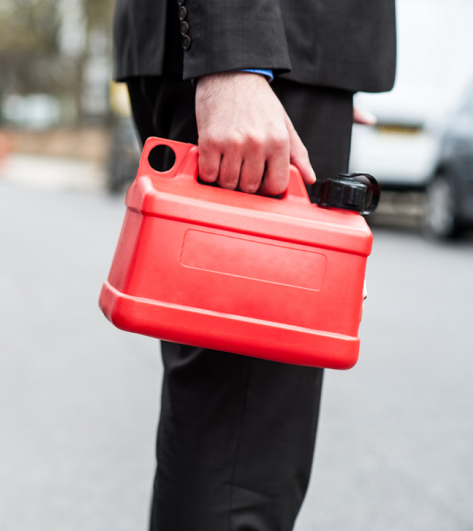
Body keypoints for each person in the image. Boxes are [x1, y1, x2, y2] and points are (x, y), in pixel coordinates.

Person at [112, 1, 396, 530]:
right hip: (259, 45)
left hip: (280, 52)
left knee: (228, 434)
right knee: (238, 467)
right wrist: (237, 65)